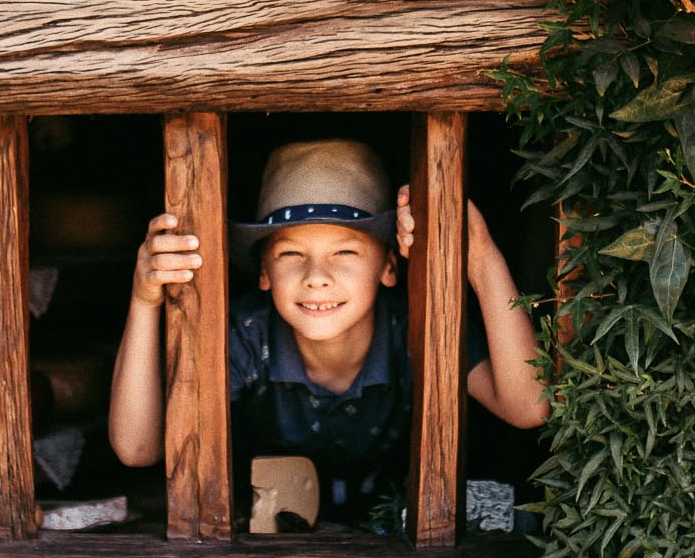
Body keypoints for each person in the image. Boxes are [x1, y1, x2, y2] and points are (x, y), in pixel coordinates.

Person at [107, 138, 548, 526]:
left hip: (398, 539)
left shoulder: (417, 327)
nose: (317, 276)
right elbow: (136, 447)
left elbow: (530, 407)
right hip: (266, 544)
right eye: (291, 254)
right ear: (263, 273)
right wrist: (145, 300)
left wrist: (481, 258)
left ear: (389, 267)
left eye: (345, 251)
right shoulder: (245, 335)